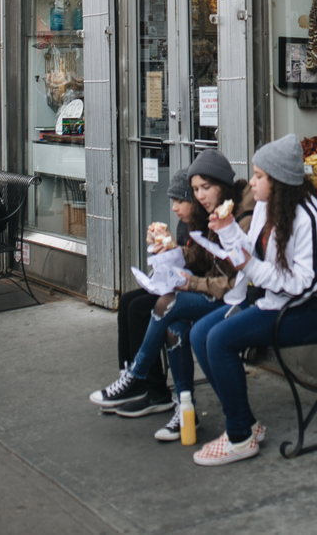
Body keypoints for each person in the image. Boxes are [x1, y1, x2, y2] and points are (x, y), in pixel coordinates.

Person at [184, 135, 317, 465]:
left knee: (219, 340)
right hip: (276, 300)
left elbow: (304, 284)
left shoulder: (311, 220)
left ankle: (240, 435)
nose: (253, 182)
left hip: (313, 310)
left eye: (259, 176)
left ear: (279, 181)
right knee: (200, 334)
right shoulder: (265, 209)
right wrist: (227, 228)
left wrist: (252, 267)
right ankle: (244, 420)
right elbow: (248, 249)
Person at [89, 149, 245, 435]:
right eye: (195, 190)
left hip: (233, 300)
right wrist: (170, 249)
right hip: (210, 291)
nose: (198, 196)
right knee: (168, 324)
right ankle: (184, 410)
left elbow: (236, 279)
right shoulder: (211, 215)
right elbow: (202, 259)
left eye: (204, 188)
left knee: (164, 304)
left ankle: (139, 376)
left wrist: (190, 280)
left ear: (223, 185)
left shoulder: (235, 216)